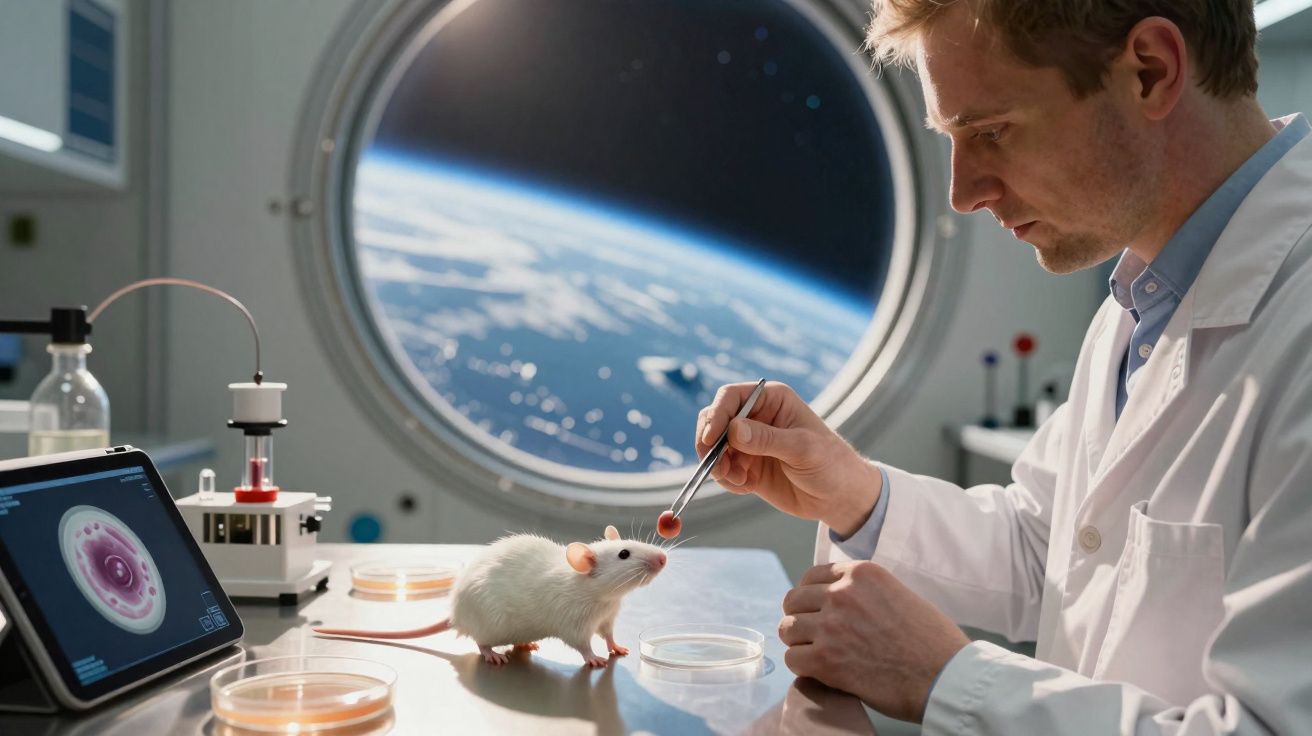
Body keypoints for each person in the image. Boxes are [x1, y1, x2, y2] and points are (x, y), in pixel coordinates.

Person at [695, 1, 1312, 732]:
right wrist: (850, 490)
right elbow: (1046, 548)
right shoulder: (1143, 296)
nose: (963, 193)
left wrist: (950, 680)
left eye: (990, 131)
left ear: (1150, 71)